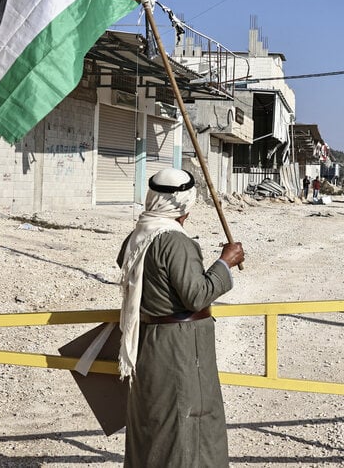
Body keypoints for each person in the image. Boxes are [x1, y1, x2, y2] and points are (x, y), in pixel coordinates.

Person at [117, 168, 245, 468]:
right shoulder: (174, 241)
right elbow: (196, 295)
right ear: (184, 204)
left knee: (155, 423)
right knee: (188, 426)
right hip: (180, 350)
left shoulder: (139, 234)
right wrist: (225, 263)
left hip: (150, 343)